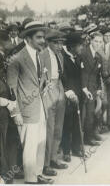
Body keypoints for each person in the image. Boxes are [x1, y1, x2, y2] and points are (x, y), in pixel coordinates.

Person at [7, 21, 54, 184]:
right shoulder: (16, 58)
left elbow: (38, 82)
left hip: (40, 107)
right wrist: (15, 112)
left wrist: (45, 84)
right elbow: (11, 89)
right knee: (30, 146)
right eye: (39, 37)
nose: (43, 40)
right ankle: (30, 178)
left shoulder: (39, 55)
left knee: (41, 141)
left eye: (43, 37)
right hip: (26, 110)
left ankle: (38, 173)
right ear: (28, 38)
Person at [40, 29, 68, 177]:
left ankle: (54, 158)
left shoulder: (60, 55)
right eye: (56, 43)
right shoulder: (42, 55)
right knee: (49, 128)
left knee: (58, 126)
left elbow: (61, 75)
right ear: (49, 42)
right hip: (48, 89)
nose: (59, 46)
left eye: (61, 43)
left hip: (60, 88)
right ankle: (45, 164)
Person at [0, 29, 21, 184]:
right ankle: (5, 172)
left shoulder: (5, 68)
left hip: (9, 110)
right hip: (3, 109)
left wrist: (13, 108)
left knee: (12, 139)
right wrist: (7, 103)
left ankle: (11, 171)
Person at [61, 32, 84, 162]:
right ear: (71, 46)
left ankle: (76, 148)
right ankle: (66, 150)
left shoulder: (77, 57)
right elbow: (63, 79)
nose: (81, 48)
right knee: (67, 123)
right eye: (80, 45)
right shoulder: (63, 58)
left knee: (77, 122)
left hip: (78, 95)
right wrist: (69, 93)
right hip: (68, 97)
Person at [80, 32, 103, 146]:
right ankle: (87, 138)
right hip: (84, 88)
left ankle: (92, 133)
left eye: (100, 42)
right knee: (87, 113)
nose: (98, 44)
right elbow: (81, 72)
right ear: (90, 41)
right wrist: (84, 88)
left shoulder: (98, 56)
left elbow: (98, 75)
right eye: (96, 41)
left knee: (95, 112)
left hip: (93, 87)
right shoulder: (84, 53)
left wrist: (98, 88)